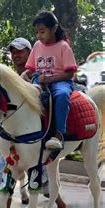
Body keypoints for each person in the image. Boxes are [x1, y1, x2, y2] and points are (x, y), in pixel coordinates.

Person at [0, 37, 73, 208]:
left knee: (42, 182)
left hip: (34, 140)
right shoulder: (6, 79)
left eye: (20, 51)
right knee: (5, 179)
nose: (16, 54)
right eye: (13, 51)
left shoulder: (36, 78)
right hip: (9, 139)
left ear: (30, 54)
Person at [21, 11, 77, 150]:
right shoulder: (37, 46)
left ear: (53, 29)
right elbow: (31, 67)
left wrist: (50, 79)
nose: (39, 36)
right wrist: (24, 74)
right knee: (29, 94)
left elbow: (69, 73)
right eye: (37, 32)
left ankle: (59, 135)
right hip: (40, 80)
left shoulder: (64, 46)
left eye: (42, 32)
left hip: (61, 81)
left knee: (62, 95)